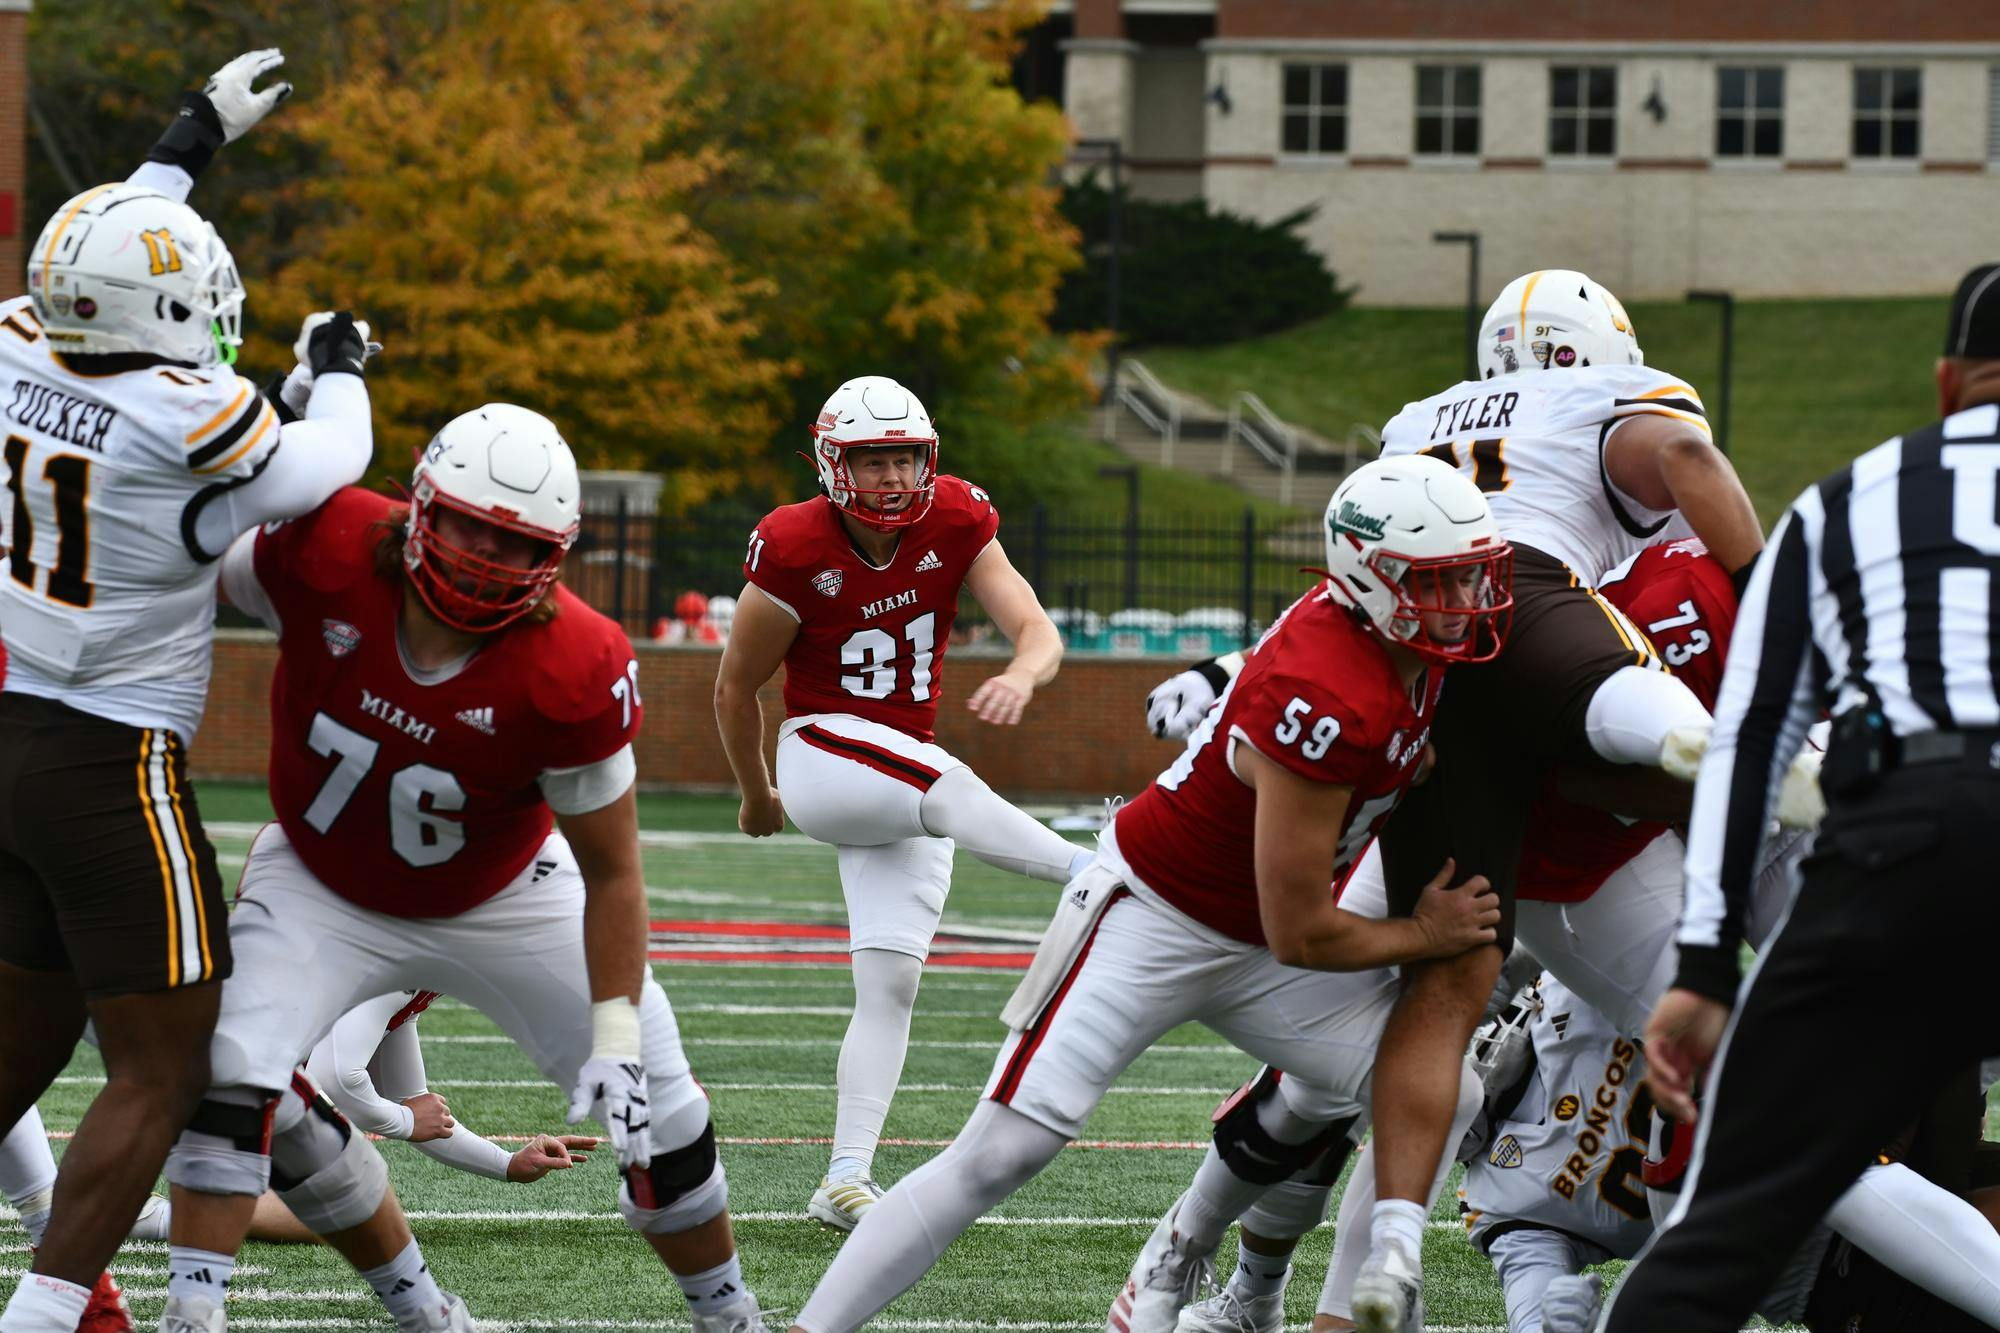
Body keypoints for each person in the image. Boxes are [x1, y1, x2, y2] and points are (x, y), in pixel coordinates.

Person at [784, 453, 1514, 1333]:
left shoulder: (1387, 632)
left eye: (1474, 572)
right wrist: (1427, 933)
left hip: (1261, 938)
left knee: (1439, 1090)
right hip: (1156, 916)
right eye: (1442, 579)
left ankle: (1339, 1318)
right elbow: (1302, 932)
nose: (1469, 597)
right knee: (999, 1154)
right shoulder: (1321, 694)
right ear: (1373, 576)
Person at [156, 404, 771, 1333]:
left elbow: (613, 872)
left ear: (555, 555)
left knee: (663, 1114)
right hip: (323, 881)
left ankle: (731, 1319)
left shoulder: (576, 660)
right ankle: (247, 1313)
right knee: (231, 1074)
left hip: (503, 894)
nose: (485, 556)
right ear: (418, 507)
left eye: (514, 543)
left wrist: (610, 1030)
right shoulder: (325, 549)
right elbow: (169, 567)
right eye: (467, 524)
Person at [0, 51, 384, 1333]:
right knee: (165, 1067)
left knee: (29, 1022)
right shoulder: (186, 419)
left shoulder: (14, 339)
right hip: (111, 763)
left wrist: (195, 135)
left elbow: (103, 249)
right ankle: (47, 1316)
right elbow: (338, 455)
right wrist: (338, 361)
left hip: (9, 729)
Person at [1351, 270, 1791, 1333]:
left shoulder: (1414, 418)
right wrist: (1774, 591)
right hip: (1548, 656)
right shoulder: (1612, 415)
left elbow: (1353, 553)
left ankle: (1324, 1270)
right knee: (1783, 1075)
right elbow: (1682, 459)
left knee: (1418, 1004)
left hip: (1413, 667)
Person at [1599, 265, 2000, 1329]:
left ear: (1945, 381)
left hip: (1901, 836)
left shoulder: (1845, 502)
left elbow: (1751, 734)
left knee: (1726, 1218)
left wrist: (1698, 963)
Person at [714, 375, 1092, 1229]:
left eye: (904, 458)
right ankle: (1101, 872)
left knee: (889, 984)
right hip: (822, 757)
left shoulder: (956, 517)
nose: (890, 477)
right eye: (871, 459)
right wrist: (757, 792)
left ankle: (843, 1175)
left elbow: (1036, 628)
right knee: (949, 785)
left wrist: (1022, 675)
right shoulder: (793, 544)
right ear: (831, 461)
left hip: (901, 771)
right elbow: (737, 689)